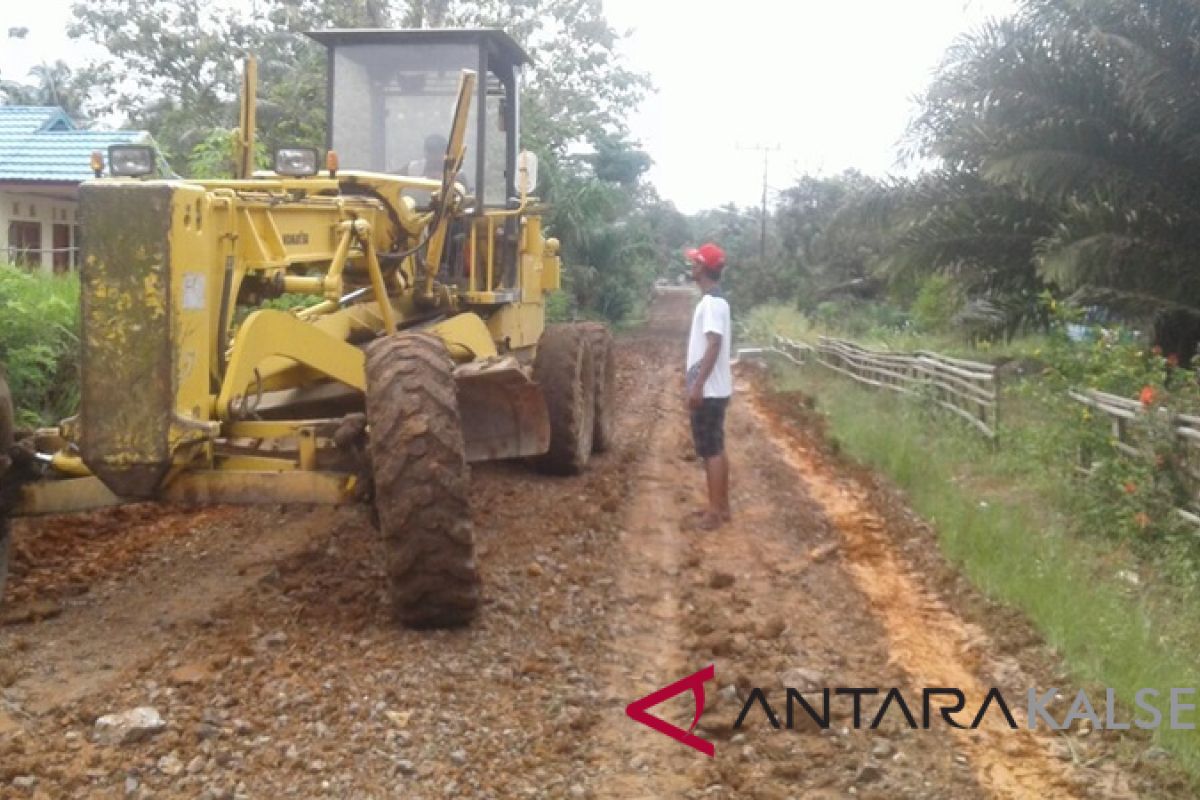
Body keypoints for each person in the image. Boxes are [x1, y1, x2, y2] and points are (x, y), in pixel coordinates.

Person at [684, 242, 732, 530]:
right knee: (717, 447)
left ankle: (714, 513)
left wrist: (698, 385)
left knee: (710, 450)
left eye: (695, 262)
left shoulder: (712, 304)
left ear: (703, 267)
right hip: (717, 388)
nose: (691, 266)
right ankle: (721, 507)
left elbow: (714, 344)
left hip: (710, 390)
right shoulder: (718, 301)